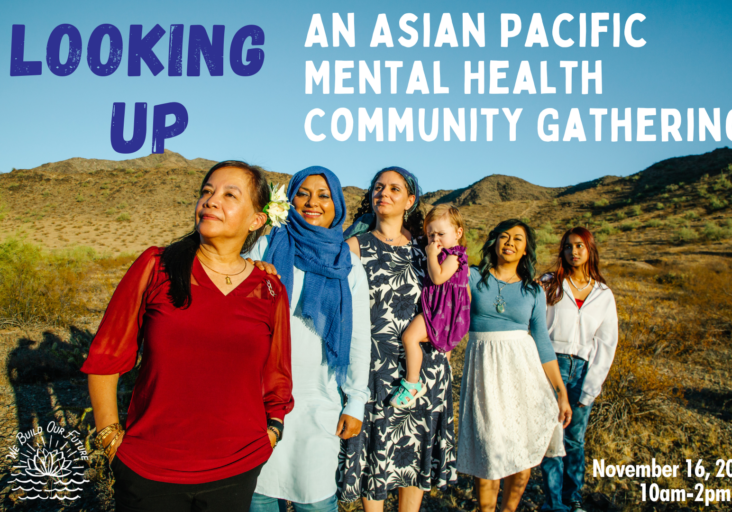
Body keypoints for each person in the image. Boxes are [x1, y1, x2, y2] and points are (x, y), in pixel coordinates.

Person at [81, 161, 294, 512]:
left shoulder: (269, 289)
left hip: (236, 468)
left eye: (229, 195)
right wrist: (109, 438)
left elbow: (277, 376)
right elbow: (105, 357)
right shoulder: (156, 266)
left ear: (257, 219)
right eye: (206, 192)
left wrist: (271, 433)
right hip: (149, 470)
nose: (210, 201)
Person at [244, 166, 372, 512]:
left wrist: (356, 401)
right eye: (302, 193)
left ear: (338, 205)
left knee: (315, 498)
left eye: (323, 195)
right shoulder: (263, 248)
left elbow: (360, 339)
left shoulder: (348, 265)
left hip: (320, 399)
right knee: (260, 497)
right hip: (259, 400)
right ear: (289, 200)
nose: (312, 202)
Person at [338, 167, 457, 512]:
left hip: (422, 372)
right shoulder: (354, 247)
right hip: (374, 368)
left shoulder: (428, 249)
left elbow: (453, 296)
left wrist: (449, 340)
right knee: (375, 457)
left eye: (394, 188)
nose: (384, 193)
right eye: (378, 187)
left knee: (412, 460)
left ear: (410, 200)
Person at [458, 219, 573, 512]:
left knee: (522, 448)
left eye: (518, 239)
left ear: (525, 250)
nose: (510, 243)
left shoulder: (533, 292)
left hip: (525, 374)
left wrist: (560, 391)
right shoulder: (471, 277)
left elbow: (543, 343)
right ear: (494, 242)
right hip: (485, 373)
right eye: (504, 237)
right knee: (489, 450)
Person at [539, 227, 620, 512]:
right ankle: (553, 502)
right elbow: (535, 327)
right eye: (568, 246)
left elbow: (607, 342)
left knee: (574, 439)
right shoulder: (549, 283)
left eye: (580, 246)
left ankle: (573, 501)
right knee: (552, 438)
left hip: (584, 368)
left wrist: (592, 385)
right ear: (562, 251)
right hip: (551, 364)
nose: (574, 251)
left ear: (589, 250)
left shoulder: (603, 293)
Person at [392, 203, 471, 408]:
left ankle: (412, 382)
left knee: (410, 337)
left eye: (440, 234)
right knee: (431, 346)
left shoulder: (455, 257)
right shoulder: (443, 253)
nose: (435, 240)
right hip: (438, 308)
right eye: (430, 235)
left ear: (458, 232)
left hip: (442, 313)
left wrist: (431, 255)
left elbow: (437, 278)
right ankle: (439, 374)